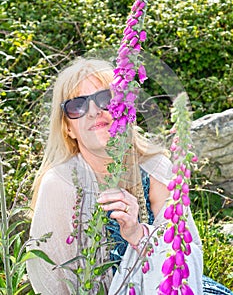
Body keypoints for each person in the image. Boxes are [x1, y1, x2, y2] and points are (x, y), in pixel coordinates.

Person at [26, 58, 232, 295]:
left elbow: (186, 255)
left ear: (124, 107)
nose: (94, 111)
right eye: (77, 105)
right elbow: (52, 280)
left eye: (105, 99)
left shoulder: (156, 168)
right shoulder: (59, 183)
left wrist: (137, 234)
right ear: (68, 128)